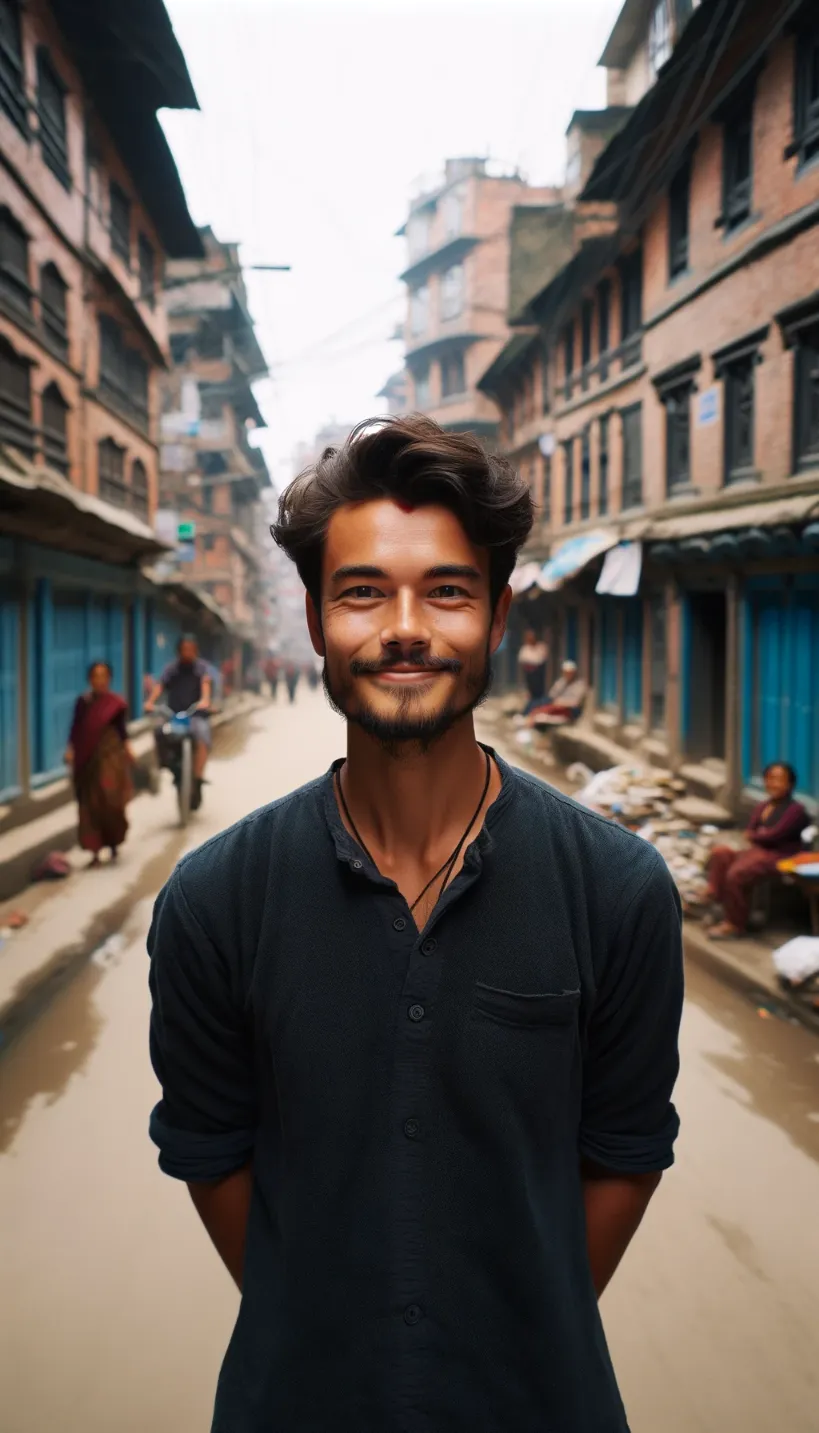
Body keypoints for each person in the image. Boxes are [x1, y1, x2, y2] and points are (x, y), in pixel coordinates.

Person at [148, 414, 683, 1433]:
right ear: (312, 618)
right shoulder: (215, 900)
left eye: (446, 589)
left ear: (497, 613)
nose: (404, 626)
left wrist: (516, 1323)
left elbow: (624, 1151)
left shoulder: (619, 890)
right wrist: (332, 1326)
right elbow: (212, 1152)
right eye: (362, 591)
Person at [706, 761, 809, 939]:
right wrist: (758, 835)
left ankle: (735, 924)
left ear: (789, 784)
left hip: (781, 857)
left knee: (738, 872)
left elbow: (774, 836)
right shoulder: (763, 806)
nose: (773, 784)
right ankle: (717, 901)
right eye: (769, 779)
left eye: (779, 779)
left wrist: (757, 835)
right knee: (720, 853)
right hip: (756, 852)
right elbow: (751, 830)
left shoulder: (796, 810)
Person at [65, 662, 133, 867]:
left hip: (110, 757)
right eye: (96, 676)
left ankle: (112, 843)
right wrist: (70, 750)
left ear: (110, 679)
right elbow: (76, 728)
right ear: (90, 680)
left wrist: (128, 750)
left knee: (111, 800)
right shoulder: (83, 703)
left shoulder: (116, 704)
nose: (100, 681)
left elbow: (122, 732)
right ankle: (94, 852)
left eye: (104, 676)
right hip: (87, 760)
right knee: (89, 805)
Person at [145, 635, 212, 808]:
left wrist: (205, 700)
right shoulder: (171, 670)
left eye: (191, 649)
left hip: (195, 715)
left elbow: (205, 686)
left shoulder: (201, 668)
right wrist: (150, 702)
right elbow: (159, 686)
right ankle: (168, 765)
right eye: (184, 649)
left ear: (196, 651)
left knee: (202, 737)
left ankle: (196, 781)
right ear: (178, 651)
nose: (187, 653)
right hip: (172, 714)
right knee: (159, 731)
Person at [529, 657, 587, 723]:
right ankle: (527, 716)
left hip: (570, 709)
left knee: (548, 707)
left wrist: (559, 702)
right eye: (565, 672)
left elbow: (575, 702)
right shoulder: (561, 682)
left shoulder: (580, 685)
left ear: (574, 673)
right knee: (538, 702)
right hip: (557, 704)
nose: (567, 675)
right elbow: (552, 695)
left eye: (569, 672)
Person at [517, 626, 549, 713]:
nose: (530, 639)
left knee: (540, 694)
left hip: (539, 673)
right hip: (529, 675)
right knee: (531, 694)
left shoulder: (541, 647)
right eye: (528, 637)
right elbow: (523, 663)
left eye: (532, 637)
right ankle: (529, 711)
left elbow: (542, 659)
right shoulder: (524, 649)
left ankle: (539, 710)